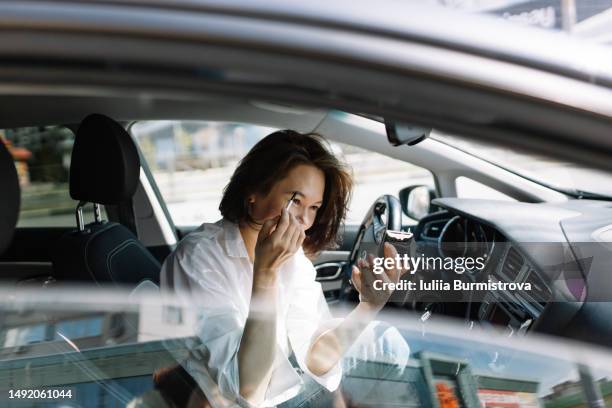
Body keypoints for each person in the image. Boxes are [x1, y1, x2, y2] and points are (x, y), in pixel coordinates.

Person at [161, 130, 409, 408]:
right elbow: (248, 390)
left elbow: (316, 358)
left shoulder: (295, 261)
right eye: (295, 201)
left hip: (288, 381)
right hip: (242, 400)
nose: (304, 219)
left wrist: (368, 306)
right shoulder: (198, 259)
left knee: (390, 344)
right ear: (253, 192)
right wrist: (265, 276)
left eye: (314, 207)